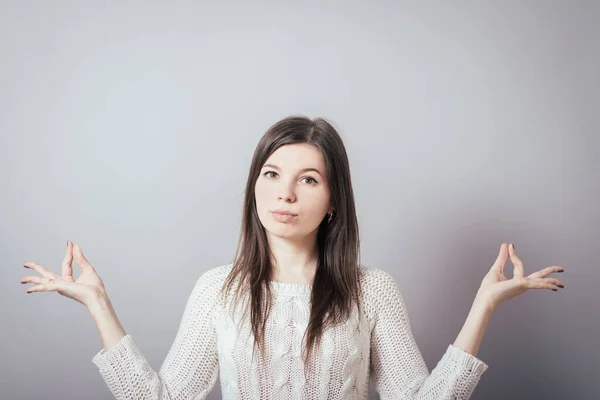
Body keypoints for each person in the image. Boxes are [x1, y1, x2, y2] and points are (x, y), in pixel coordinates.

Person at [20, 115, 566, 400]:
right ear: (254, 187)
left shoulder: (370, 290)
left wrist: (483, 306)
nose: (285, 194)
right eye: (272, 175)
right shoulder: (220, 289)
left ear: (332, 202)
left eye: (308, 179)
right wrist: (97, 303)